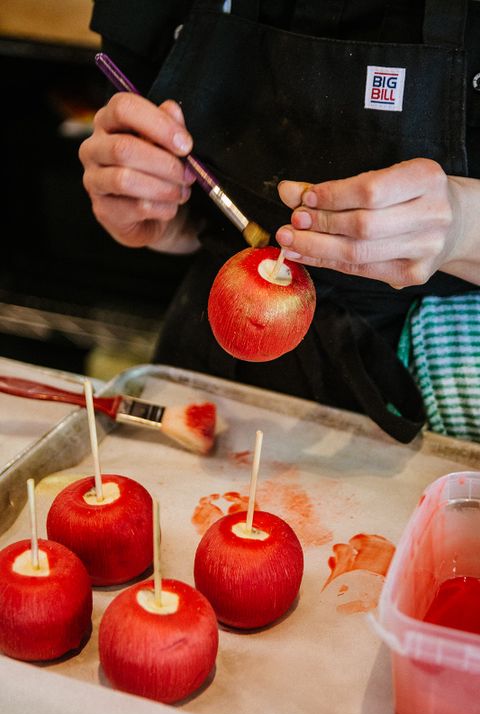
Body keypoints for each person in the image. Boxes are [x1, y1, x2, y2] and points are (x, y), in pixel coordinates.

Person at [79, 0, 480, 444]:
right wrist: (161, 216)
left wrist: (465, 225)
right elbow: (191, 218)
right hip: (218, 354)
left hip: (429, 377)